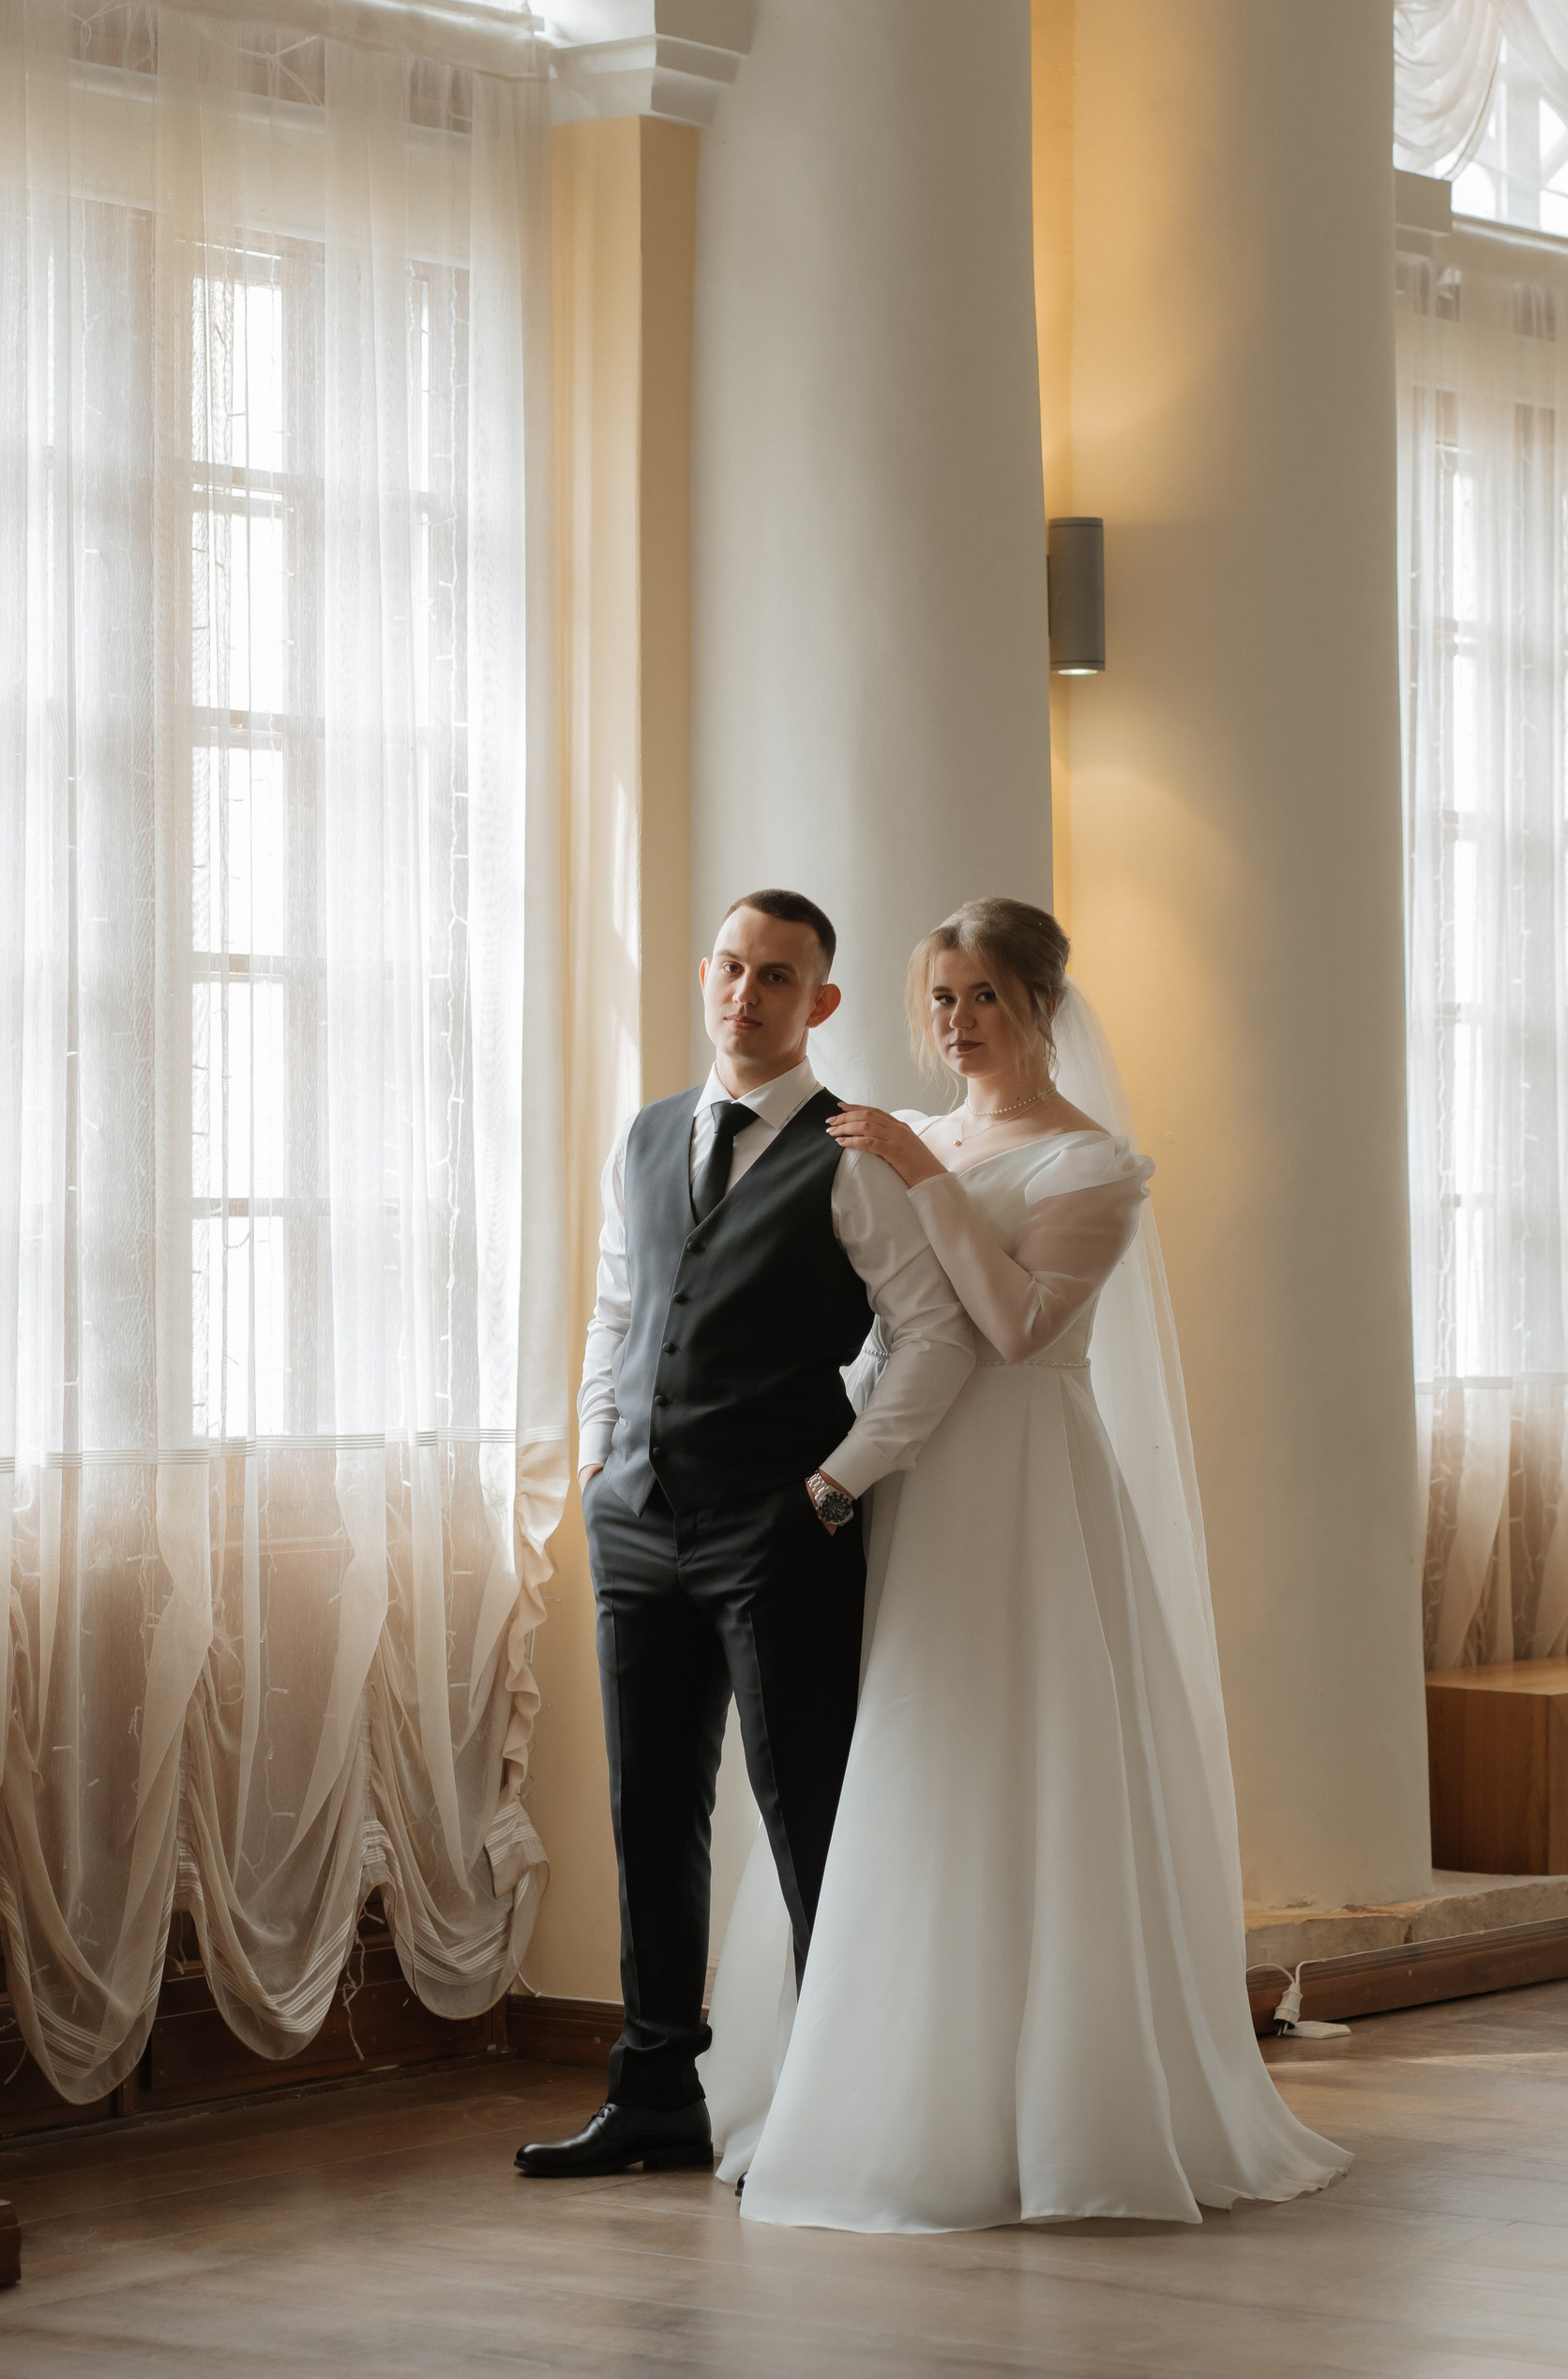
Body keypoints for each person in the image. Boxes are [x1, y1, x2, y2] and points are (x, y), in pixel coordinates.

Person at [703, 897, 1349, 2230]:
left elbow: (1012, 1331)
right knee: (882, 1751)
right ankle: (854, 2076)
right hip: (902, 1469)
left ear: (1043, 1004)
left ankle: (1027, 2109)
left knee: (1013, 1762)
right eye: (941, 998)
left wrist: (924, 1179)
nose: (957, 1023)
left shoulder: (1090, 1165)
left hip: (1019, 1486)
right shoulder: (910, 1133)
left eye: (985, 995)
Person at [515, 889, 976, 2179]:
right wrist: (598, 1453)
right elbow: (617, 1308)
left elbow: (933, 1337)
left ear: (820, 1003)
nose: (745, 993)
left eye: (777, 976)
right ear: (705, 976)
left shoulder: (853, 1154)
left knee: (810, 1816)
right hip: (636, 1523)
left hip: (781, 1528)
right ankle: (656, 2091)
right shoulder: (649, 1133)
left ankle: (851, 2109)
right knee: (650, 1816)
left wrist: (833, 1487)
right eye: (730, 966)